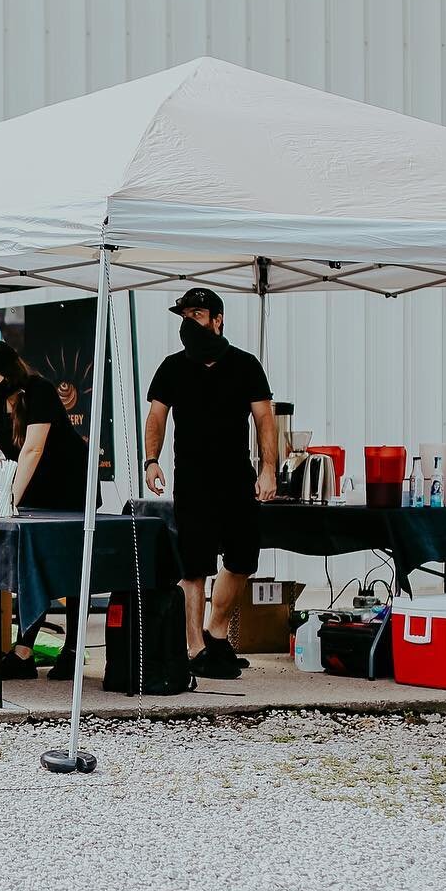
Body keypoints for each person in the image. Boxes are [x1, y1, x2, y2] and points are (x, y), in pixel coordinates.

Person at [144, 286, 276, 681]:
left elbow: (264, 419)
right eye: (185, 316)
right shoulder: (172, 367)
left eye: (197, 315)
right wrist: (151, 461)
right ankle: (195, 649)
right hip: (192, 480)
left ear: (217, 320)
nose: (190, 322)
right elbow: (156, 417)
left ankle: (216, 631)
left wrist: (268, 469)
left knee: (241, 561)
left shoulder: (245, 365)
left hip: (236, 478)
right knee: (194, 567)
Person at [0, 341, 88, 682]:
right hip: (30, 484)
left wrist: (9, 500)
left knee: (70, 566)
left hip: (66, 485)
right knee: (32, 564)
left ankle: (74, 651)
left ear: (6, 373)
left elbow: (33, 449)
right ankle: (24, 651)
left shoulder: (41, 391)